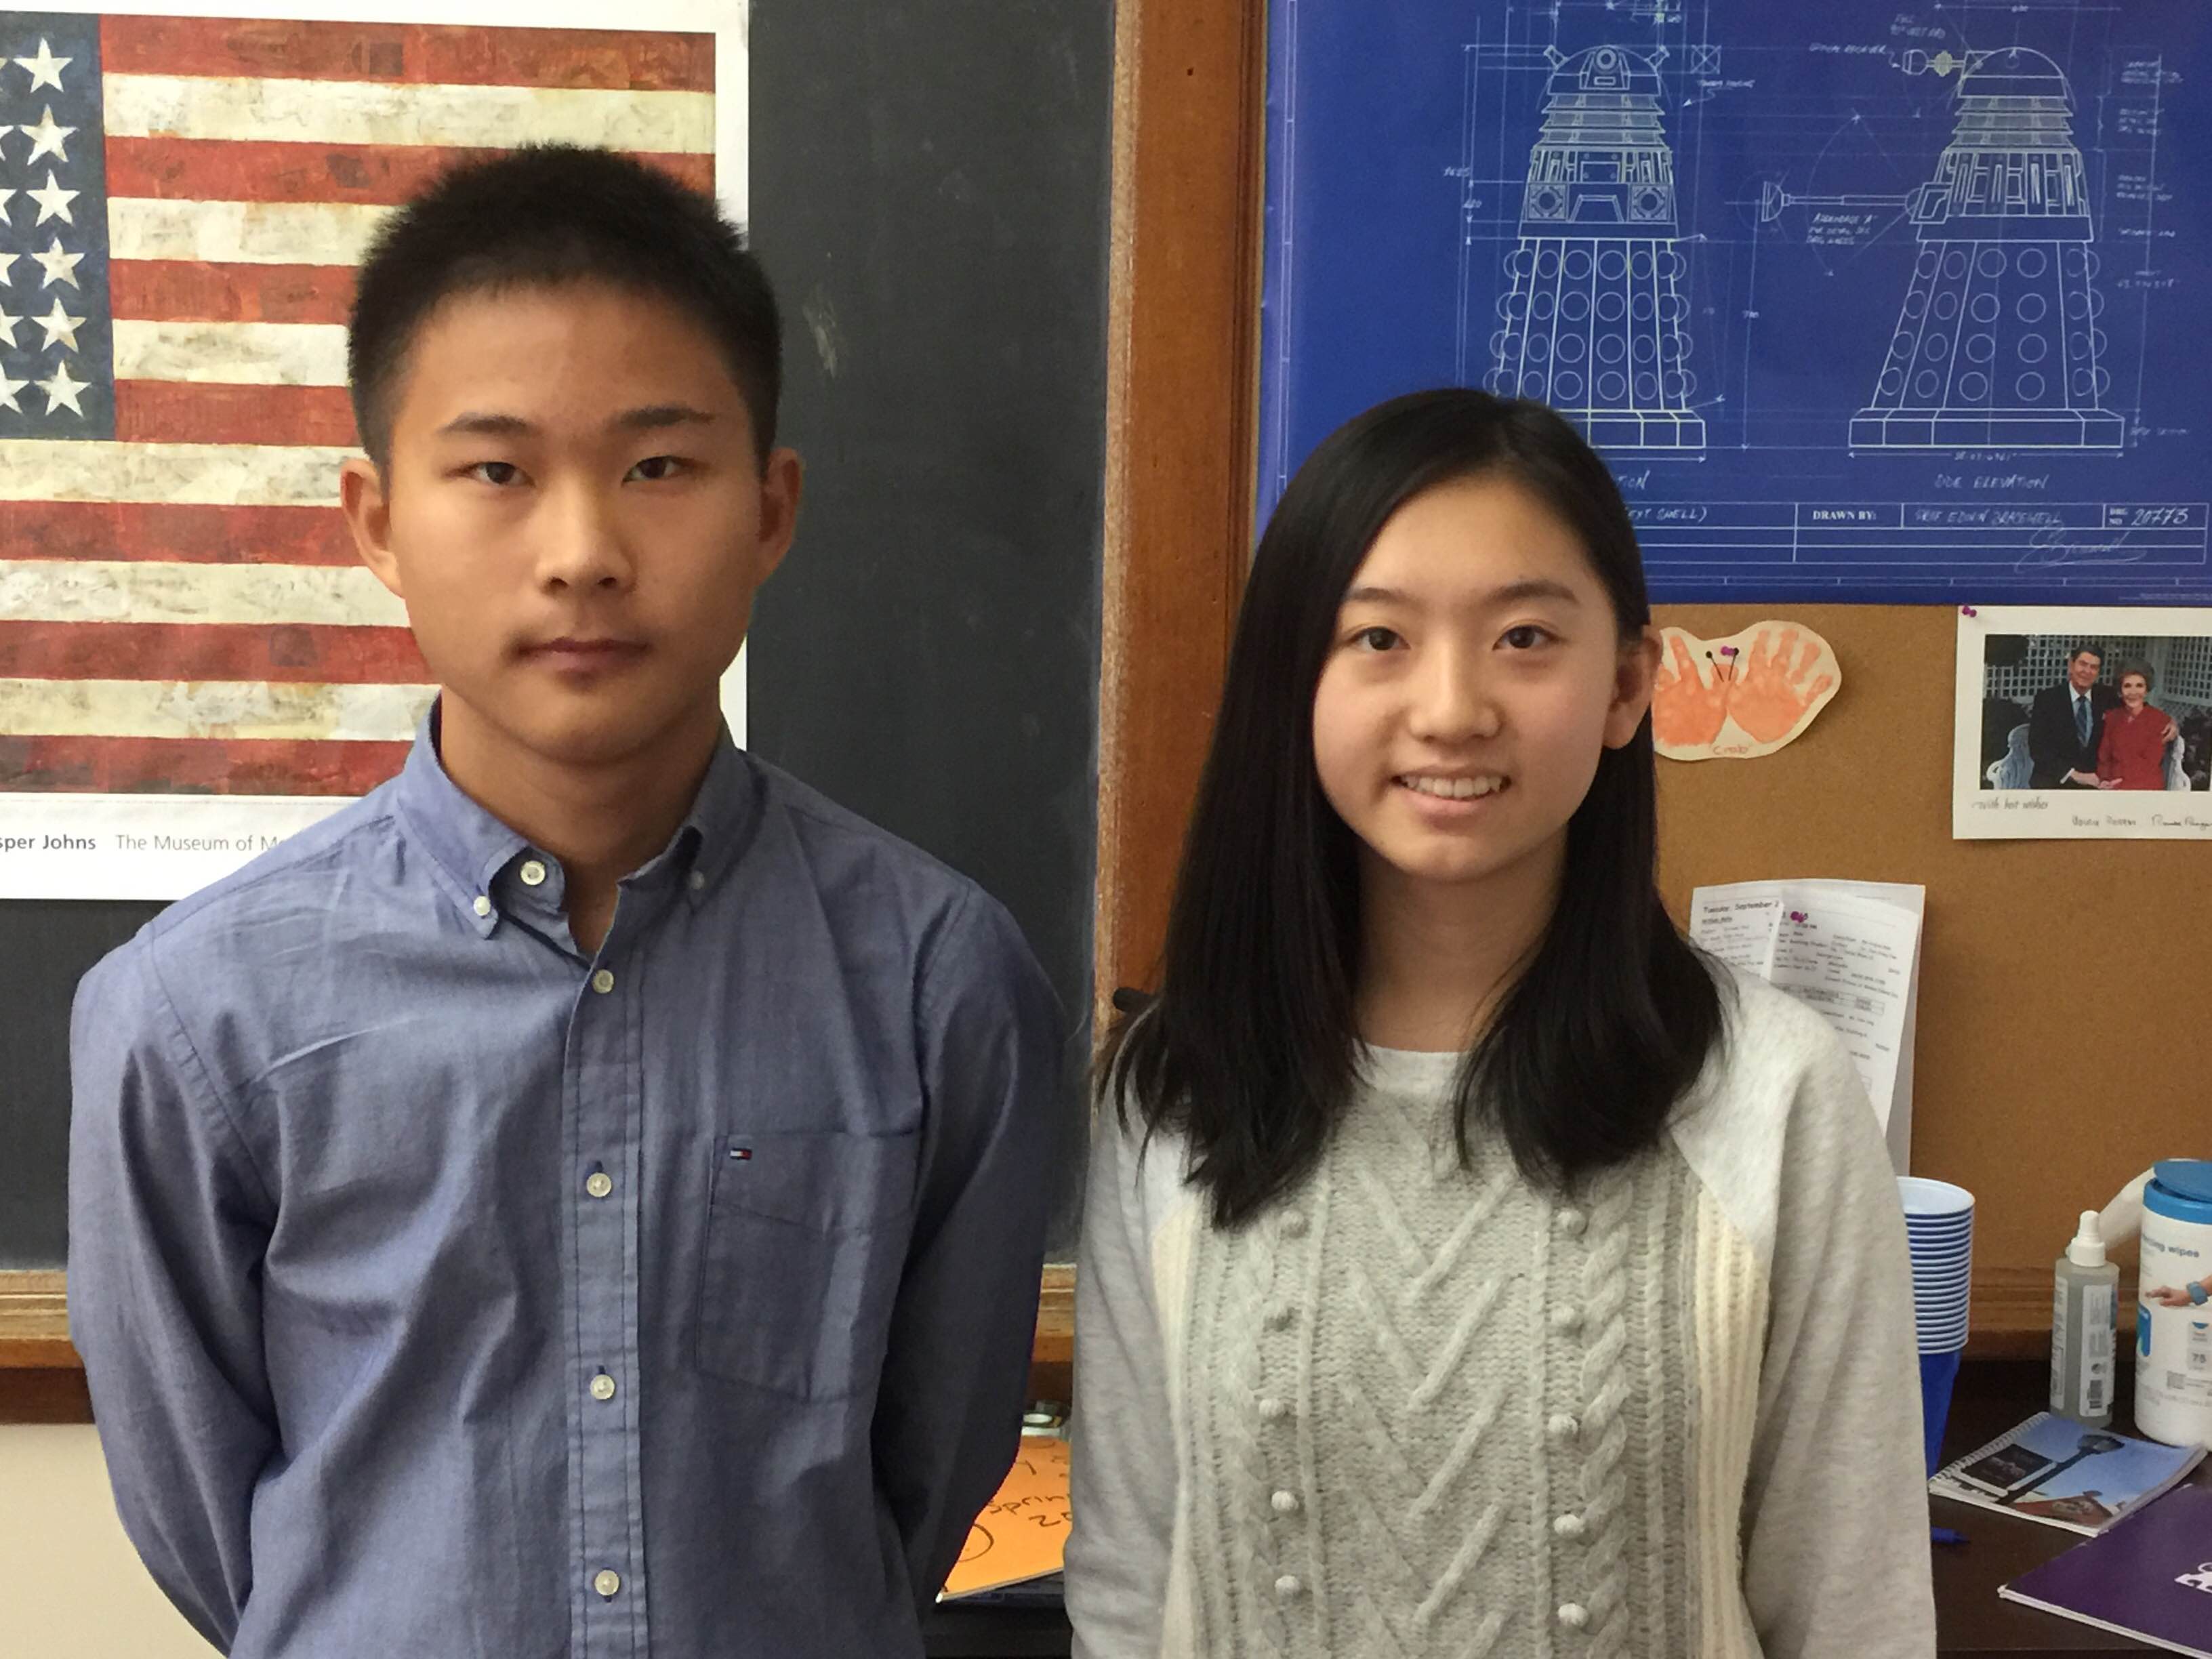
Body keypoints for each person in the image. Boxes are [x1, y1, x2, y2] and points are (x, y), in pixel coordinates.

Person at [68, 146, 1059, 1659]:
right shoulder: (195, 1015)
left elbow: (926, 1478)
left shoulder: (940, 982)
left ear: (771, 510)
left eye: (658, 467)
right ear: (376, 521)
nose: (584, 554)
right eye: (497, 471)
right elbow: (211, 1529)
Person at [1063, 390, 1933, 1658]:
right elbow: (1127, 1585)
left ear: (1627, 683)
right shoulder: (1173, 1090)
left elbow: (1854, 1608)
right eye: (1376, 638)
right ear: (1291, 681)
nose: (1452, 707)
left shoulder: (1772, 1088)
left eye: (1524, 636)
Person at [2027, 645, 2120, 787]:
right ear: (2071, 664)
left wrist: (2167, 723)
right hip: (2055, 781)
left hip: (2095, 782)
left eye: (2094, 667)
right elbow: (2038, 749)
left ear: (2099, 672)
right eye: (2083, 664)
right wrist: (2074, 775)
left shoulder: (2108, 697)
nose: (2087, 671)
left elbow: (2133, 707)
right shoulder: (2047, 699)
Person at [2095, 661, 2182, 790]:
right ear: (2120, 691)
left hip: (2146, 789)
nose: (2133, 692)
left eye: (2139, 686)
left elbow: (2150, 764)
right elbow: (2104, 758)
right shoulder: (2112, 718)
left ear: (2146, 690)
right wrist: (2104, 780)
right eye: (2127, 686)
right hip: (2112, 787)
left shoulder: (2160, 720)